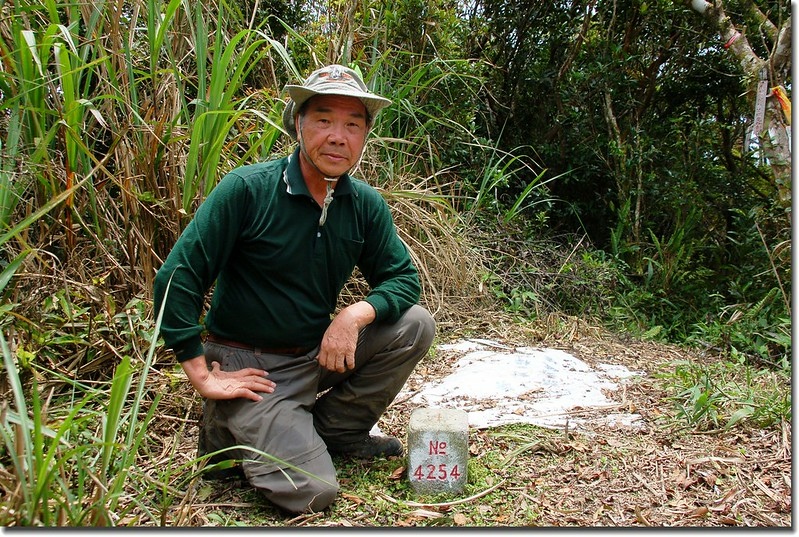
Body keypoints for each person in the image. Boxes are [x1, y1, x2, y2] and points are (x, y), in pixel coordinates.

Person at [153, 64, 435, 514]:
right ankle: (227, 436)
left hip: (310, 355)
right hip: (253, 370)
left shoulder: (363, 204)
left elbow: (403, 279)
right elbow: (177, 278)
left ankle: (333, 434)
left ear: (365, 136)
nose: (338, 136)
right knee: (313, 492)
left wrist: (353, 314)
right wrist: (203, 375)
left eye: (353, 124)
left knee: (414, 324)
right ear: (297, 123)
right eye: (323, 119)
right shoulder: (247, 189)